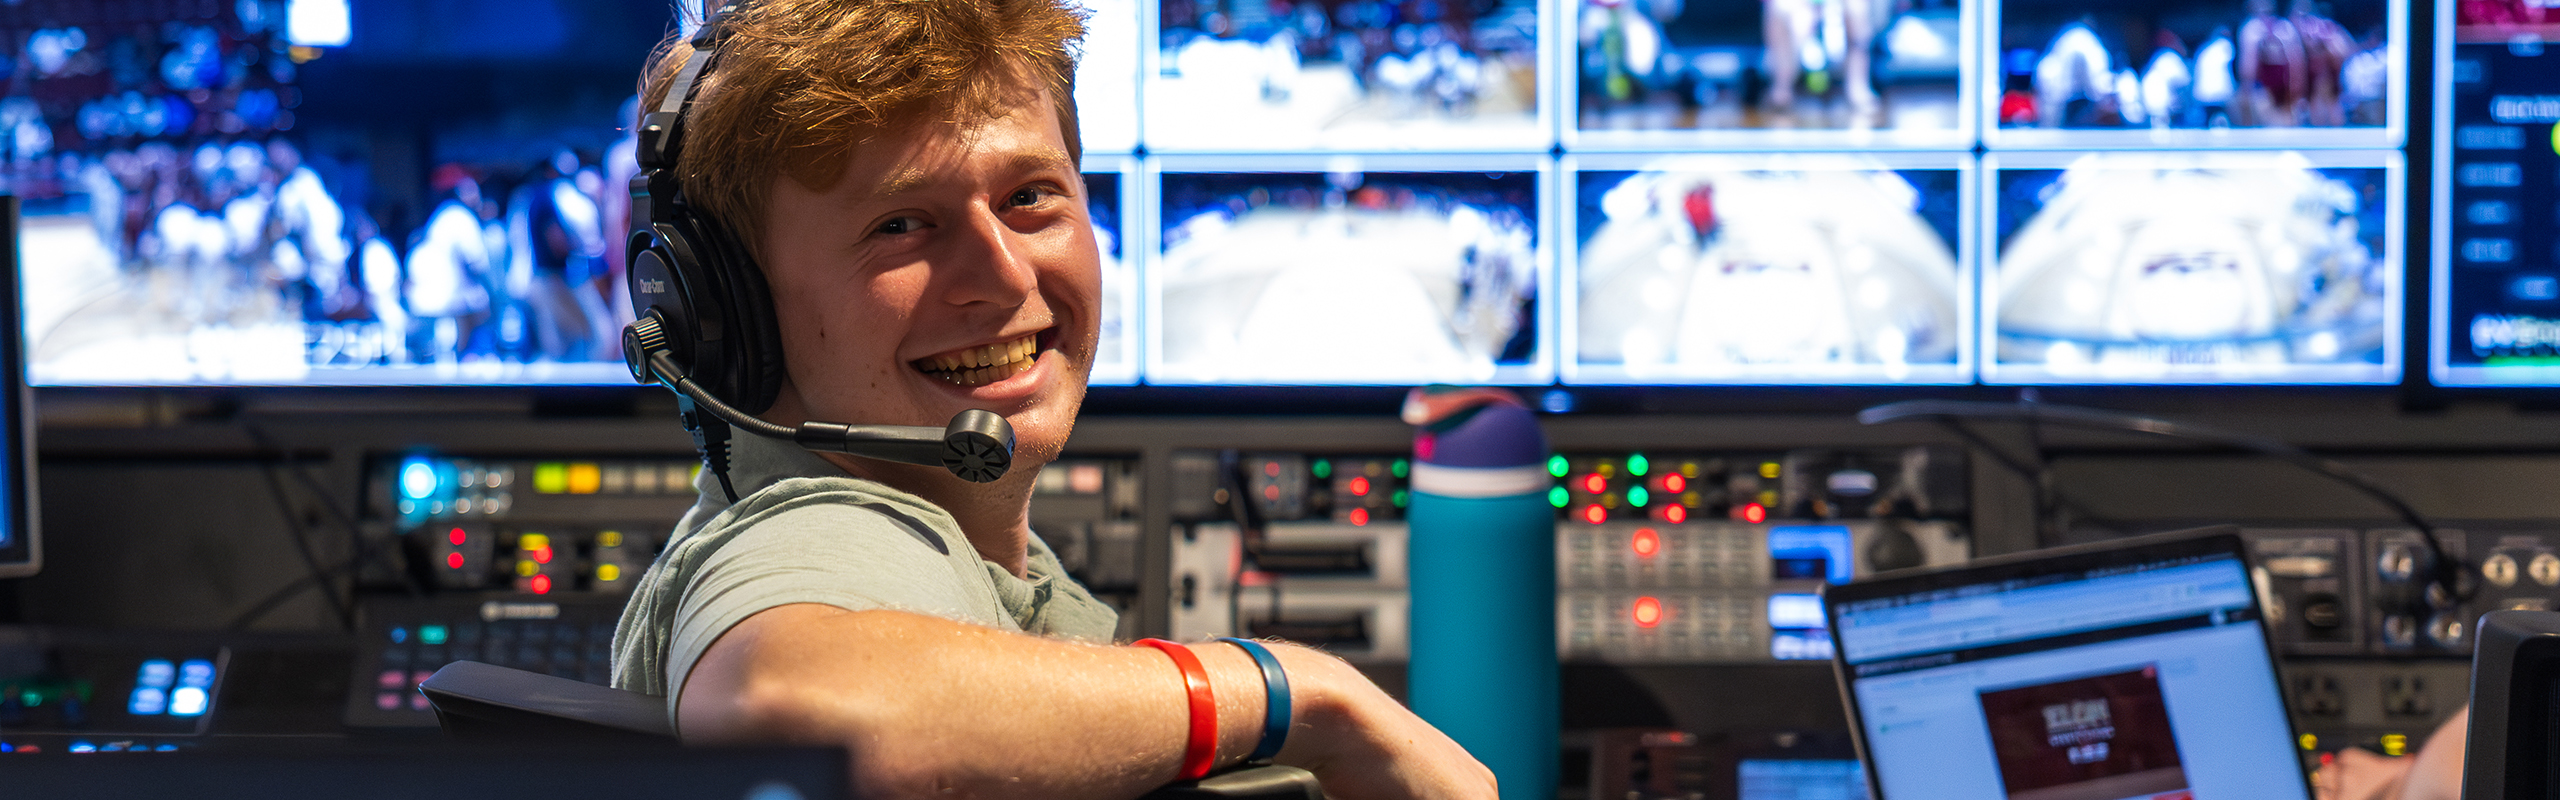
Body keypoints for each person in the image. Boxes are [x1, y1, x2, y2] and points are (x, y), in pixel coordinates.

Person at [605, 1, 1496, 799]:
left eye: (1030, 197)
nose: (1002, 273)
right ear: (728, 309)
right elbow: (794, 707)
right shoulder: (829, 530)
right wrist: (1293, 695)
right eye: (901, 225)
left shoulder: (954, 552)